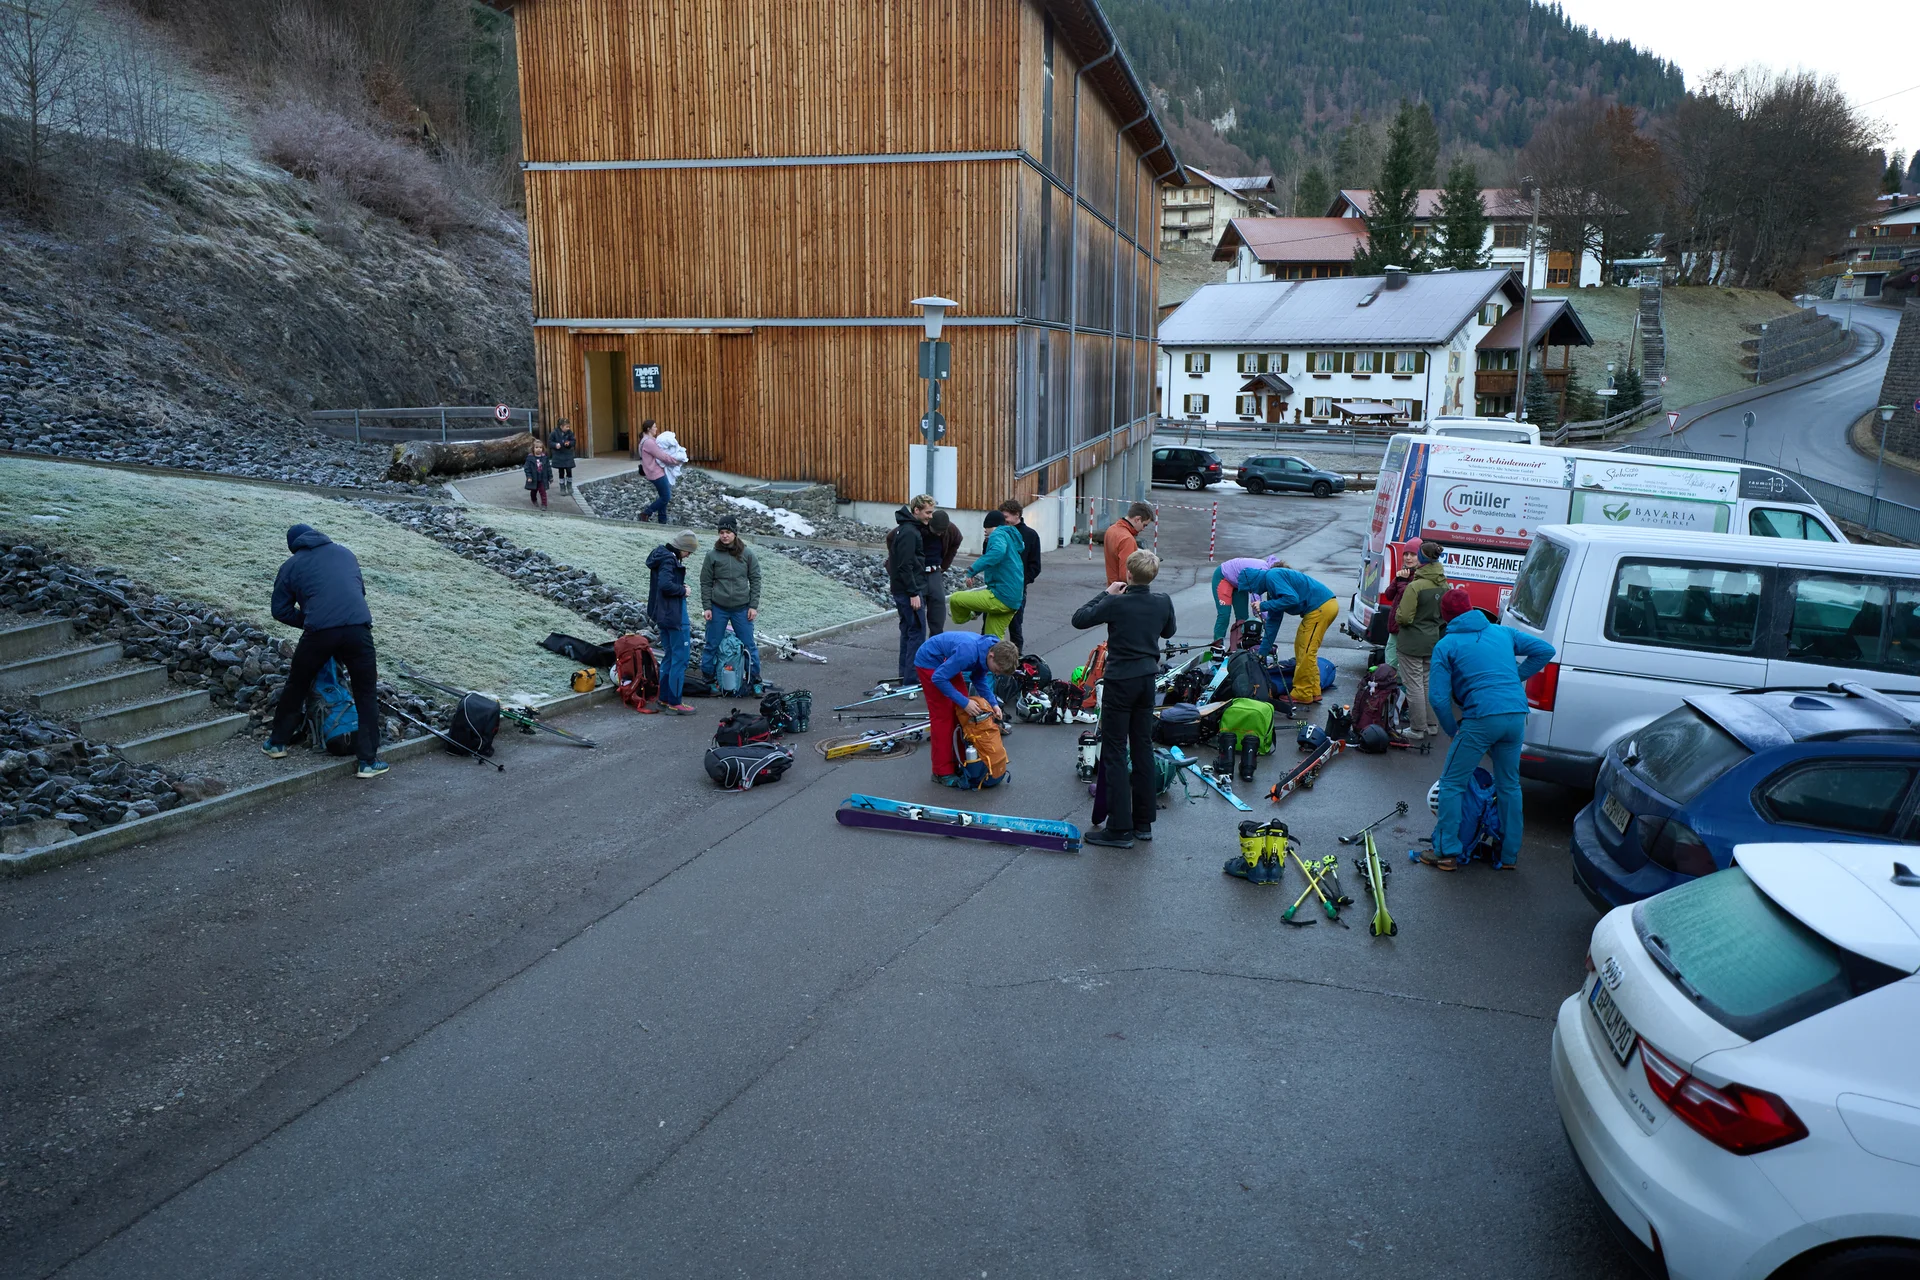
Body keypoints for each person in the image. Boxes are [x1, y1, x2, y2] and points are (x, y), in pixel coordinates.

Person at [1425, 588, 1556, 871]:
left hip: (1481, 717)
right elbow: (1545, 651)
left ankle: (1446, 852)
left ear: (1445, 617)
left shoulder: (1446, 645)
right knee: (1509, 785)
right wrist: (1512, 679)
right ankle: (1508, 855)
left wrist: (1451, 729)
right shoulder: (1502, 633)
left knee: (1452, 784)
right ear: (1472, 609)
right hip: (1516, 715)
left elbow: (1437, 697)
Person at [260, 524, 387, 778]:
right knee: (365, 692)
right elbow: (358, 592)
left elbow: (280, 610)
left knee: (297, 684)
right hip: (358, 629)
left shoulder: (291, 565)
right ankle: (368, 762)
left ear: (294, 545)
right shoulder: (345, 553)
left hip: (319, 633)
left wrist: (310, 619)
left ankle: (277, 744)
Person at [1072, 549, 1178, 849]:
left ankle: (1119, 828)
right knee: (1143, 746)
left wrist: (1106, 594)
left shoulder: (1116, 603)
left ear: (1128, 574)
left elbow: (1079, 619)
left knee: (1116, 751)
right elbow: (1169, 630)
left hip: (1121, 681)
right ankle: (1143, 822)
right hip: (1147, 680)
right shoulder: (1163, 601)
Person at [913, 632, 1018, 786]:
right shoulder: (968, 652)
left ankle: (961, 762)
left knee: (962, 714)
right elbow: (938, 678)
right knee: (944, 718)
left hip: (947, 662)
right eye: (997, 669)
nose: (996, 673)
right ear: (991, 655)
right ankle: (941, 772)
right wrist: (964, 702)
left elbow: (978, 678)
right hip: (929, 662)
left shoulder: (990, 651)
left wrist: (993, 703)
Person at [1246, 563, 1339, 703]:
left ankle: (1302, 693)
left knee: (1307, 651)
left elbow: (1291, 598)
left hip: (1321, 608)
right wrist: (1262, 652)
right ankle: (1313, 691)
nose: (1253, 592)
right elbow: (1272, 623)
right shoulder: (1273, 591)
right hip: (1318, 610)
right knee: (1302, 649)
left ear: (1254, 581)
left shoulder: (1272, 575)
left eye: (1250, 589)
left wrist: (1263, 605)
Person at [1393, 542, 1449, 739]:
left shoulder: (1415, 586)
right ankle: (1432, 725)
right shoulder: (1444, 584)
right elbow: (1445, 615)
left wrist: (1399, 613)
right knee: (1427, 683)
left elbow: (1404, 618)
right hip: (1433, 640)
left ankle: (1417, 728)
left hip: (1411, 642)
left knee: (1414, 685)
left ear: (1422, 558)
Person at [700, 514, 762, 691]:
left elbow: (755, 579)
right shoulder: (712, 556)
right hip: (718, 608)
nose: (724, 535)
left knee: (749, 645)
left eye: (727, 532)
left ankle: (755, 680)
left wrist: (753, 606)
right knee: (711, 644)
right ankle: (708, 680)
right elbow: (705, 582)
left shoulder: (747, 554)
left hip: (742, 609)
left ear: (734, 533)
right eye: (721, 532)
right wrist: (707, 607)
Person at [645, 532, 699, 713]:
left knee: (669, 656)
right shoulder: (669, 559)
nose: (689, 555)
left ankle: (664, 699)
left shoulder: (660, 556)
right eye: (688, 551)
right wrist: (683, 590)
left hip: (663, 614)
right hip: (674, 616)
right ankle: (674, 702)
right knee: (680, 658)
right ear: (681, 547)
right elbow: (665, 585)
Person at [949, 511, 1024, 638]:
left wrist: (972, 571)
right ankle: (1004, 658)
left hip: (1001, 596)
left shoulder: (998, 534)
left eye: (985, 529)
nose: (985, 532)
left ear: (990, 526)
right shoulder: (1008, 536)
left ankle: (966, 617)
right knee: (992, 640)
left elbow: (997, 552)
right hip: (1014, 599)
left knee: (955, 598)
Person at [1210, 553, 1283, 646]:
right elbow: (1255, 597)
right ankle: (1217, 646)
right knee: (1224, 615)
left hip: (1239, 583)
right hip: (1224, 577)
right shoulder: (1263, 570)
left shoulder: (1271, 573)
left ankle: (1238, 646)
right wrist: (1262, 617)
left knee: (1243, 618)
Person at [1001, 498, 1042, 651]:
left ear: (1016, 515)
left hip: (1017, 589)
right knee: (990, 624)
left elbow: (1035, 566)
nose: (1003, 521)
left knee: (1015, 626)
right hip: (998, 586)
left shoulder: (1030, 535)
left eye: (1006, 517)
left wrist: (1022, 581)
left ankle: (1015, 662)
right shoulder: (1001, 532)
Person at [1377, 547, 1419, 667]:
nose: (1408, 557)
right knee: (1390, 660)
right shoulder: (1403, 574)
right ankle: (1390, 682)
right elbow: (1389, 594)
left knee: (1401, 664)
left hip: (1407, 628)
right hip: (1394, 626)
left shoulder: (1418, 577)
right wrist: (1398, 579)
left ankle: (1399, 684)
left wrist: (1402, 582)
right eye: (1406, 554)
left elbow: (1408, 596)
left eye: (1412, 554)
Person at [923, 509, 961, 637]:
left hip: (935, 572)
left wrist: (944, 566)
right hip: (917, 573)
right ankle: (916, 649)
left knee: (938, 606)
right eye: (936, 531)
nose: (939, 534)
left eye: (941, 532)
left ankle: (935, 642)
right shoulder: (918, 527)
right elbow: (891, 538)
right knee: (916, 615)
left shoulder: (950, 529)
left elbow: (957, 540)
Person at [1103, 502, 1155, 587]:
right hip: (1123, 591)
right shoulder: (1127, 539)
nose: (1143, 529)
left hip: (1112, 587)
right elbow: (1125, 575)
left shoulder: (1111, 529)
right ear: (1137, 519)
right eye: (1144, 525)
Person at [637, 420, 674, 523]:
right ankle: (646, 513)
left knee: (663, 496)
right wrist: (676, 461)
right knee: (666, 496)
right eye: (654, 427)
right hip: (656, 473)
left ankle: (662, 520)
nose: (656, 429)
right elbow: (661, 456)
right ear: (649, 429)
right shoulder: (648, 442)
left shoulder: (647, 440)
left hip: (653, 472)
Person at [523, 440, 553, 510]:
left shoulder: (544, 458)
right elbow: (527, 468)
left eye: (540, 447)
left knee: (543, 492)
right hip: (534, 478)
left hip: (542, 478)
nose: (539, 449)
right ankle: (534, 499)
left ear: (543, 448)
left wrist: (550, 477)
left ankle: (544, 504)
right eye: (536, 447)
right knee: (533, 491)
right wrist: (529, 477)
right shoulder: (530, 458)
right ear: (533, 449)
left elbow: (548, 468)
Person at [549, 418, 577, 494]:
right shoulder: (554, 433)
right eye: (566, 427)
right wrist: (555, 445)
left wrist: (569, 443)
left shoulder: (569, 433)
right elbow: (550, 442)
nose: (568, 428)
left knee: (569, 470)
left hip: (567, 454)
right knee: (561, 471)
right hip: (559, 455)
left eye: (569, 426)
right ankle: (562, 487)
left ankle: (569, 485)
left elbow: (573, 441)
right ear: (561, 426)